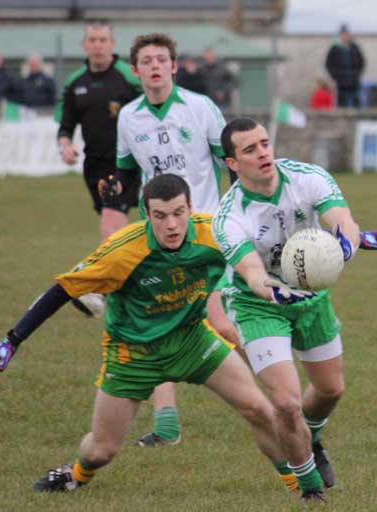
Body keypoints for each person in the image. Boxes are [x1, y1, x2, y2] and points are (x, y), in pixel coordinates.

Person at [0, 174, 294, 498]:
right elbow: (63, 289)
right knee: (102, 449)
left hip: (192, 340)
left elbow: (260, 251)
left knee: (260, 411)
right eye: (160, 216)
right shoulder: (123, 250)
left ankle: (300, 488)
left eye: (179, 213)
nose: (171, 225)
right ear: (146, 214)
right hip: (133, 354)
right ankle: (77, 474)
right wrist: (13, 339)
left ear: (191, 208)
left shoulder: (214, 233)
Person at [212, 117, 377, 501]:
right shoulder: (229, 217)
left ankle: (311, 439)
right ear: (232, 164)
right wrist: (274, 293)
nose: (263, 152)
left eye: (264, 143)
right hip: (259, 305)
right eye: (249, 149)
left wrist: (347, 246)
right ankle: (310, 489)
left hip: (312, 296)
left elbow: (342, 221)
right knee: (286, 401)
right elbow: (251, 273)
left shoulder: (307, 177)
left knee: (331, 389)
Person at [107, 32, 238, 448]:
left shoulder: (200, 108)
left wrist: (240, 211)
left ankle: (281, 395)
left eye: (162, 59)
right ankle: (167, 425)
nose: (155, 67)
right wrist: (116, 192)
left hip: (205, 234)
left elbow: (230, 163)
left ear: (175, 66)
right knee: (157, 327)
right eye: (147, 61)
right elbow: (128, 175)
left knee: (220, 324)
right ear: (136, 70)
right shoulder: (128, 116)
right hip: (159, 236)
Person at [55, 20, 141, 318]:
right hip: (94, 164)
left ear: (112, 43)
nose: (98, 44)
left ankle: (98, 291)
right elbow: (65, 126)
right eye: (92, 39)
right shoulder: (75, 82)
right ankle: (130, 285)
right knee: (119, 230)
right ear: (84, 45)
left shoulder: (129, 79)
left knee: (109, 228)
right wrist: (65, 145)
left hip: (127, 165)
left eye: (103, 39)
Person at [325, 24, 365, 108]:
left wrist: (356, 74)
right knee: (342, 104)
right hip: (341, 82)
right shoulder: (335, 49)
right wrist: (336, 76)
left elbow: (361, 62)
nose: (345, 36)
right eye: (343, 34)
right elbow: (328, 64)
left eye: (347, 34)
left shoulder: (354, 48)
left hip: (354, 81)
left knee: (356, 103)